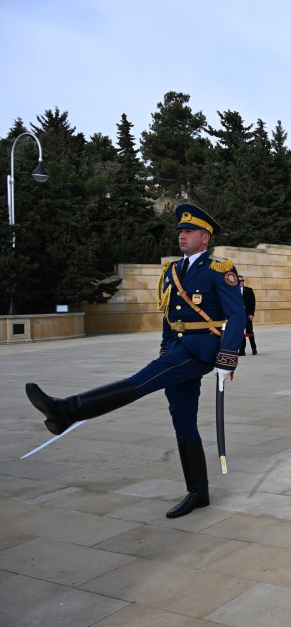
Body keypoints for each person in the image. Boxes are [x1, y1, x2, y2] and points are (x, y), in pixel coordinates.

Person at [25, 204, 245, 519]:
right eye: (180, 231)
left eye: (189, 231)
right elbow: (170, 315)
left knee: (139, 382)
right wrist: (165, 347)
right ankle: (198, 492)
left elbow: (236, 316)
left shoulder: (219, 269)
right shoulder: (172, 271)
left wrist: (227, 358)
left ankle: (68, 410)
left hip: (201, 351)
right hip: (177, 350)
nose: (182, 235)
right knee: (182, 421)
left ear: (205, 237)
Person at [238, 276, 257, 356]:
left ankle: (254, 348)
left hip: (247, 314)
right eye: (240, 281)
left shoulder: (249, 290)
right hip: (238, 315)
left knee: (249, 331)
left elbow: (253, 303)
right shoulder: (234, 291)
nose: (241, 282)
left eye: (242, 280)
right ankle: (242, 350)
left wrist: (251, 314)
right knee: (241, 333)